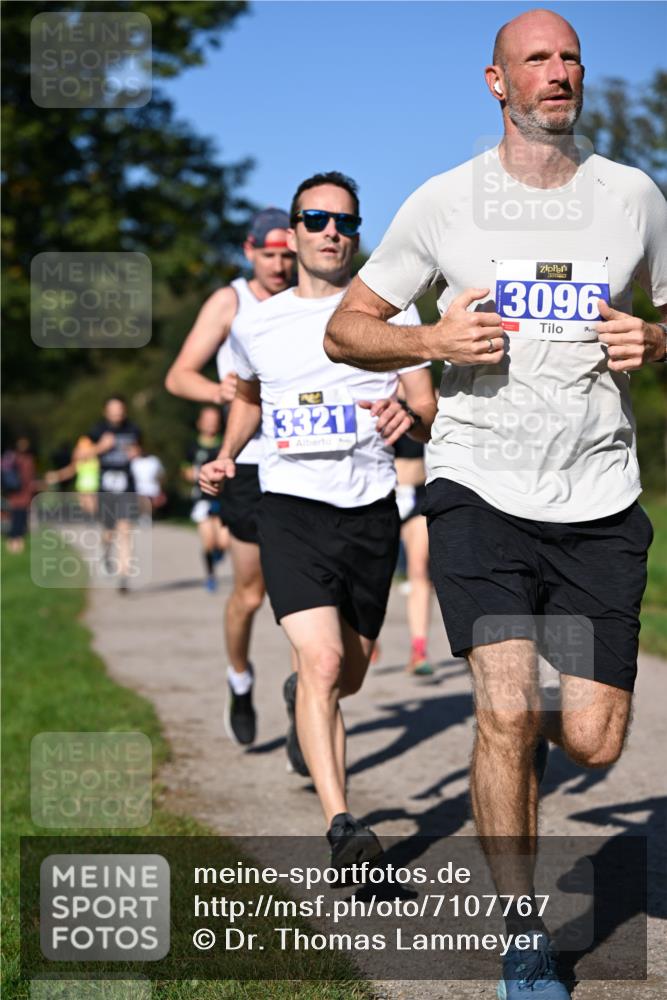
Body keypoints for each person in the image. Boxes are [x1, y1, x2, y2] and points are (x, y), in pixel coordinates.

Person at [324, 11, 667, 998]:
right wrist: (430, 344)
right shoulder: (444, 204)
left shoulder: (633, 196)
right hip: (479, 487)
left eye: (570, 59)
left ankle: (505, 754)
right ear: (495, 82)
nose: (557, 74)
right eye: (536, 60)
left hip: (600, 490)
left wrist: (656, 340)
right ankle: (521, 935)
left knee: (595, 736)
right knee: (506, 705)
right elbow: (350, 330)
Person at [199, 171, 437, 869]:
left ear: (357, 235)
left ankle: (303, 696)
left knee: (349, 674)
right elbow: (247, 393)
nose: (331, 231)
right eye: (316, 219)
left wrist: (409, 417)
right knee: (325, 660)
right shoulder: (256, 321)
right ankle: (341, 825)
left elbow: (426, 404)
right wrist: (225, 454)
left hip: (368, 511)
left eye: (345, 222)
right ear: (294, 233)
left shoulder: (388, 318)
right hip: (290, 510)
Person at [165, 208, 295, 745]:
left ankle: (305, 704)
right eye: (270, 255)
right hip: (247, 463)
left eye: (288, 254)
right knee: (250, 592)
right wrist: (221, 393)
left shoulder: (308, 301)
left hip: (302, 462)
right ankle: (239, 678)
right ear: (249, 251)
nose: (280, 265)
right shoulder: (230, 301)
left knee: (302, 596)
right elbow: (179, 376)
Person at [88, 395, 143, 594]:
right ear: (106, 411)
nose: (117, 413)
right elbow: (80, 455)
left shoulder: (133, 429)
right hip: (105, 488)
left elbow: (140, 450)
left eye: (120, 408)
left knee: (125, 530)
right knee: (109, 532)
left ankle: (123, 576)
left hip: (127, 486)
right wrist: (100, 447)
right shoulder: (97, 430)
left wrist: (136, 452)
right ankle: (104, 552)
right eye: (113, 409)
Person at [394, 433, 433, 675]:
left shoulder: (426, 400)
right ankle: (363, 637)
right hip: (376, 494)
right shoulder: (369, 397)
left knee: (418, 570)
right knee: (366, 573)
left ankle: (419, 649)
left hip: (416, 494)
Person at [182, 405, 229, 591]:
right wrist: (195, 474)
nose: (210, 424)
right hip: (201, 498)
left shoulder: (225, 444)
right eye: (207, 420)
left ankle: (218, 554)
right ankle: (210, 575)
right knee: (209, 541)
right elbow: (184, 470)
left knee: (224, 542)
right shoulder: (193, 446)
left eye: (214, 421)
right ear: (199, 423)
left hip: (223, 498)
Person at [45, 436, 100, 517]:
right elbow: (70, 471)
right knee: (85, 510)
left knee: (92, 509)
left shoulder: (96, 460)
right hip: (82, 489)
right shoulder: (79, 462)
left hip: (93, 489)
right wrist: (56, 476)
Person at [3, 436, 36, 554]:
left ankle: (14, 544)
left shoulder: (11, 458)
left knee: (16, 519)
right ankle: (16, 545)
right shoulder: (26, 460)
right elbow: (29, 478)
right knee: (19, 520)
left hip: (14, 494)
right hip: (22, 494)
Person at [131, 444, 166, 516]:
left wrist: (161, 489)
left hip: (152, 488)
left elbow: (160, 475)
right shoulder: (134, 461)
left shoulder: (154, 460)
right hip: (139, 488)